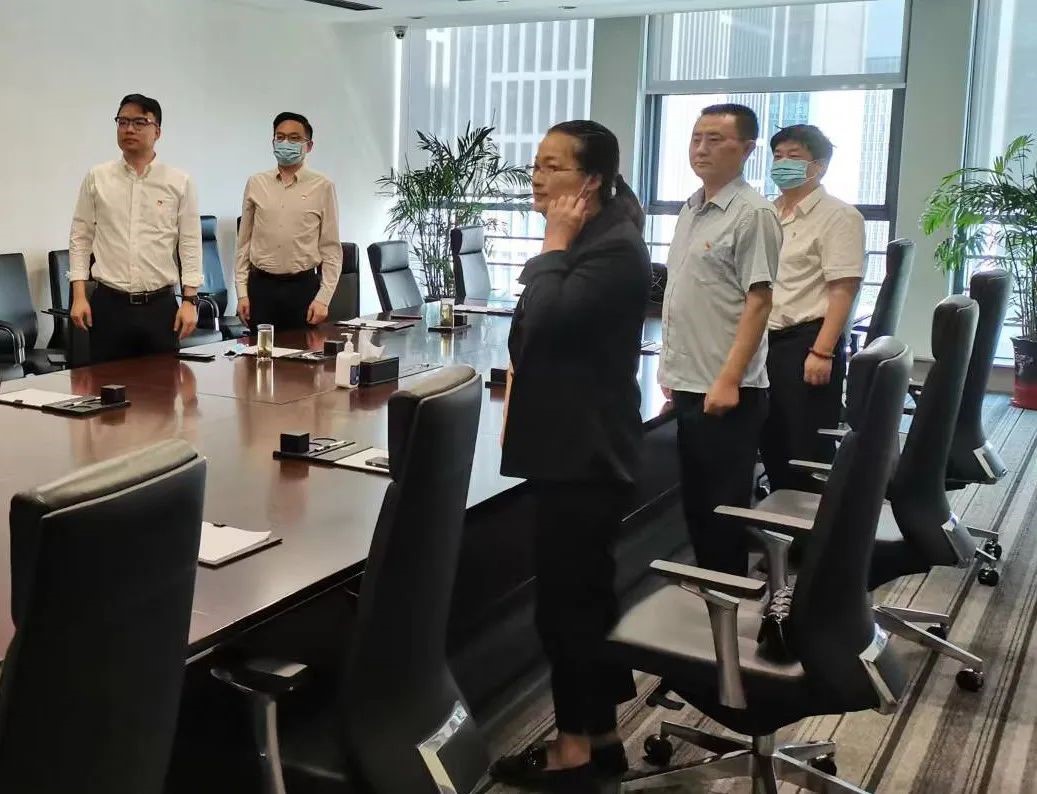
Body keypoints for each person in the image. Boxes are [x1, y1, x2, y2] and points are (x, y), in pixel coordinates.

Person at [491, 121, 651, 790]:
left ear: (591, 181)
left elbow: (543, 326)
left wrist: (552, 244)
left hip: (582, 455)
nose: (537, 176)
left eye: (552, 166)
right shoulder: (604, 234)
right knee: (583, 597)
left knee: (567, 609)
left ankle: (574, 751)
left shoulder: (611, 249)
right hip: (577, 447)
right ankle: (600, 738)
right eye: (536, 163)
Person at [658, 103, 782, 576]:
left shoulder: (752, 213)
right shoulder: (692, 208)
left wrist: (729, 378)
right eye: (696, 138)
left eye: (715, 139)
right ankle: (712, 590)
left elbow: (759, 301)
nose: (701, 148)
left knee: (721, 509)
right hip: (691, 379)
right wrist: (671, 369)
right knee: (697, 503)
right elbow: (686, 294)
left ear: (747, 149)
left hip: (726, 389)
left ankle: (728, 596)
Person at [760, 124, 865, 492]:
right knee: (772, 438)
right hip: (764, 340)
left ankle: (815, 524)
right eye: (777, 156)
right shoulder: (768, 213)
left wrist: (822, 351)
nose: (782, 164)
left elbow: (843, 290)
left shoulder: (839, 216)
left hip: (807, 342)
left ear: (818, 166)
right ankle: (779, 512)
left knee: (806, 448)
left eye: (793, 156)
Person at [69, 94, 201, 363]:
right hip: (109, 305)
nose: (129, 129)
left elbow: (189, 242)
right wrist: (79, 296)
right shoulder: (98, 178)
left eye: (139, 122)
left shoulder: (178, 181)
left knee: (162, 385)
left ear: (157, 131)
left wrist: (190, 301)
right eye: (123, 122)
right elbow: (80, 238)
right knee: (107, 385)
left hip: (160, 308)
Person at [235, 112, 342, 333]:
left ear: (309, 146)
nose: (286, 143)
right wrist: (242, 293)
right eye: (280, 137)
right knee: (260, 353)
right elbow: (244, 243)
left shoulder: (323, 186)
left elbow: (331, 249)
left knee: (303, 353)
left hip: (302, 290)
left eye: (294, 138)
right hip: (261, 289)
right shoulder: (256, 183)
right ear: (273, 142)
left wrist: (324, 298)